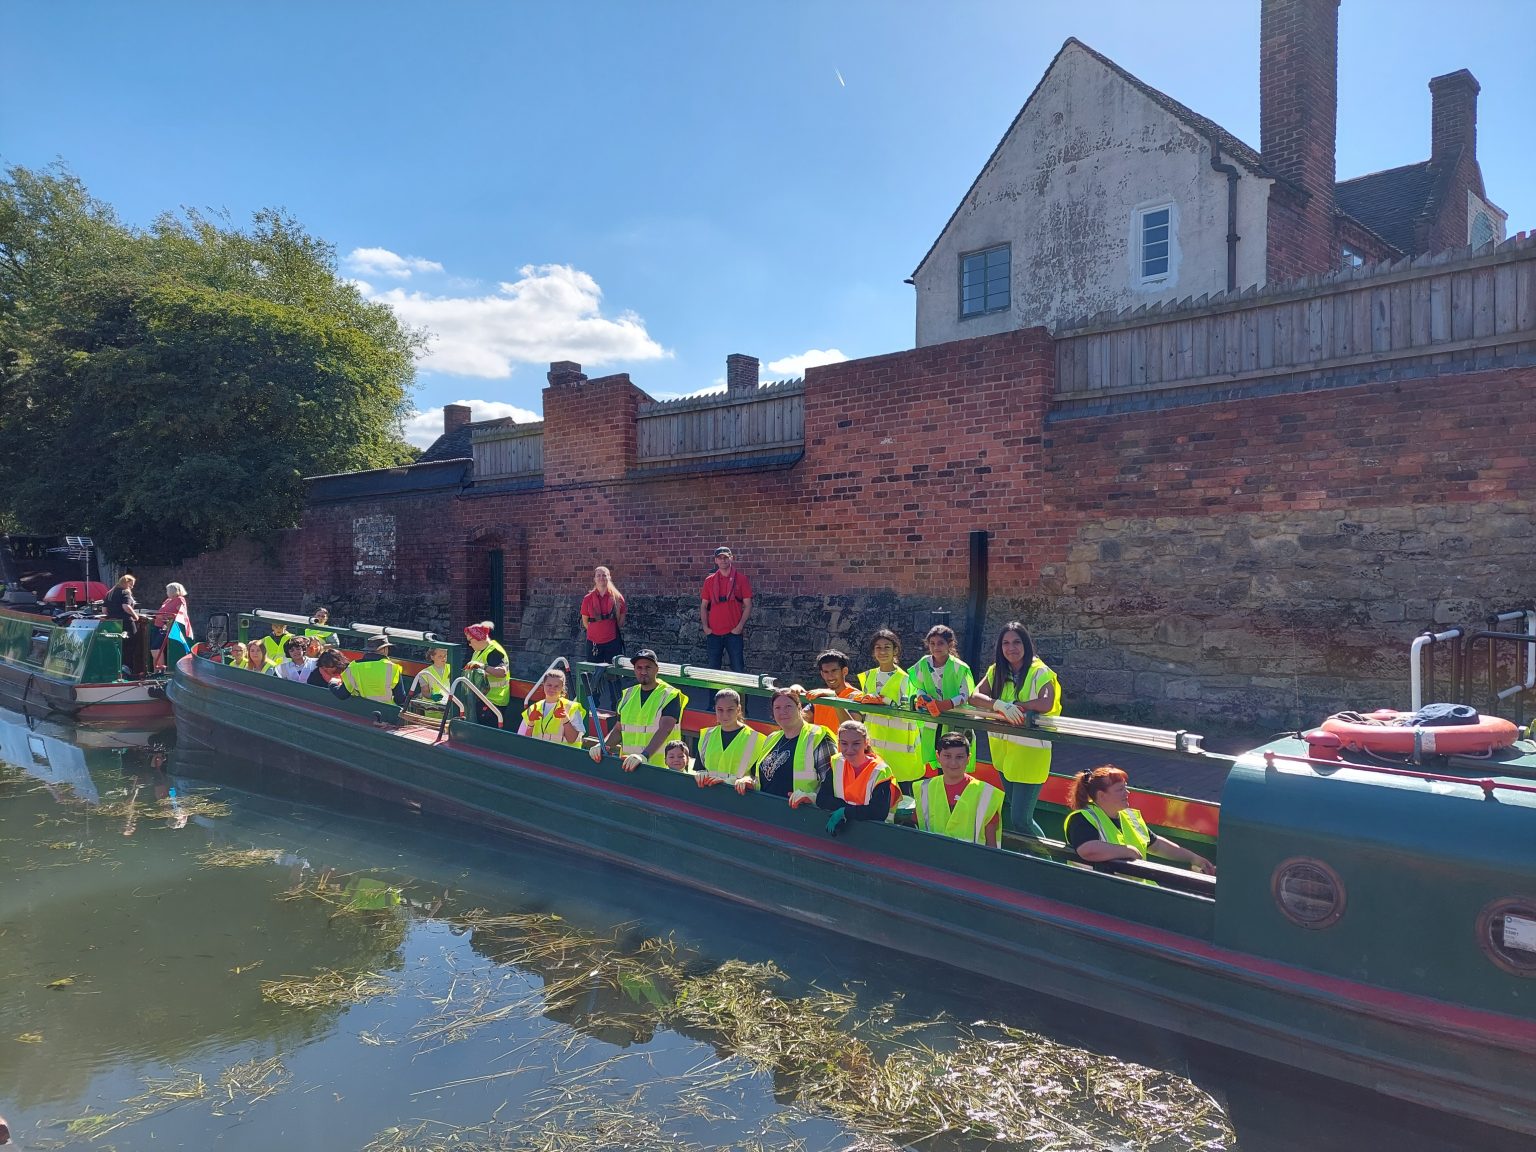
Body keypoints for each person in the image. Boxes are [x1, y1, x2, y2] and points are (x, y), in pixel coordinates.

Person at [969, 622, 1061, 838]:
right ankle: (1034, 860)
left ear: (1026, 644)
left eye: (1017, 642)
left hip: (1030, 756)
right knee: (1017, 816)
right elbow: (975, 696)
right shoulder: (997, 670)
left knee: (1021, 819)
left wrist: (1018, 706)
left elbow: (1046, 703)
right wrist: (998, 704)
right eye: (1006, 643)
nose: (1011, 648)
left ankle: (1048, 863)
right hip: (1004, 755)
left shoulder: (1040, 671)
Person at [1064, 765, 1215, 880]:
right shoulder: (1083, 818)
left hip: (1136, 890)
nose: (1127, 793)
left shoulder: (1130, 817)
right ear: (1101, 796)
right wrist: (1127, 850)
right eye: (1120, 790)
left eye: (1126, 788)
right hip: (1098, 895)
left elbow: (1157, 846)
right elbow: (1087, 850)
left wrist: (1194, 858)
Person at [735, 687, 834, 808]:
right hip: (765, 810)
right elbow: (766, 777)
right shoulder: (772, 738)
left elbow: (831, 787)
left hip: (801, 815)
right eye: (777, 708)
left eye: (788, 706)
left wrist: (812, 798)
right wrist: (749, 781)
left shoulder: (817, 736)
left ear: (799, 708)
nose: (783, 711)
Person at [591, 648, 687, 770]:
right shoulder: (627, 695)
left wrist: (643, 756)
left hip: (661, 769)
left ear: (657, 669)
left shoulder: (670, 695)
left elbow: (665, 729)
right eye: (639, 668)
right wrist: (602, 745)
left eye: (648, 667)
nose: (643, 671)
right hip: (629, 765)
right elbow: (619, 729)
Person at [857, 629, 924, 790]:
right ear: (873, 652)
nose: (882, 651)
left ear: (895, 650)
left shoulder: (906, 679)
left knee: (903, 799)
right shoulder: (867, 677)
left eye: (887, 647)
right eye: (878, 648)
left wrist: (884, 701)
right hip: (874, 747)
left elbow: (910, 711)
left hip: (901, 753)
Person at [913, 732, 1003, 847]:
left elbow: (991, 846)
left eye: (959, 757)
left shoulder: (986, 794)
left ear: (968, 758)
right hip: (932, 860)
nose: (953, 763)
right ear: (937, 757)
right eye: (947, 756)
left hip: (970, 862)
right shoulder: (923, 789)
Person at [908, 624, 976, 772]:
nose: (935, 647)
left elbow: (965, 695)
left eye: (940, 643)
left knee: (954, 758)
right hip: (932, 720)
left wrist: (946, 704)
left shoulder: (959, 667)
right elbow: (917, 686)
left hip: (954, 719)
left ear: (950, 644)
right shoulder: (923, 664)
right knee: (937, 755)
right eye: (932, 643)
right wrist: (923, 697)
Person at [817, 720, 898, 827]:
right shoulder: (836, 763)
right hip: (844, 828)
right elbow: (822, 799)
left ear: (866, 743)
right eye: (844, 743)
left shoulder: (880, 771)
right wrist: (846, 809)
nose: (849, 749)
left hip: (876, 832)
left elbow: (878, 813)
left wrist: (845, 811)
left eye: (856, 744)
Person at [693, 688, 762, 786]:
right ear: (715, 709)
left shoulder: (754, 739)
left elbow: (757, 779)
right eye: (720, 710)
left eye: (730, 710)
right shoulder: (706, 736)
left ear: (738, 709)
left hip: (738, 797)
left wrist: (747, 780)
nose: (725, 715)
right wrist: (700, 774)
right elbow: (700, 769)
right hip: (708, 795)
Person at [700, 546, 752, 673]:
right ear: (715, 561)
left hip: (733, 632)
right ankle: (714, 694)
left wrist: (740, 626)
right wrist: (706, 627)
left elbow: (748, 605)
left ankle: (739, 694)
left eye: (726, 557)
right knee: (713, 672)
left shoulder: (741, 579)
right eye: (720, 558)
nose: (723, 560)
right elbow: (704, 606)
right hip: (714, 633)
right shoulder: (709, 581)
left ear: (731, 558)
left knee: (738, 669)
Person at [518, 668, 587, 746]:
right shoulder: (533, 708)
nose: (552, 689)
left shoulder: (571, 708)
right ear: (543, 685)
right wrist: (531, 724)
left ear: (562, 687)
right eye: (549, 685)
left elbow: (572, 740)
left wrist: (566, 720)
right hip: (538, 754)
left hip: (564, 755)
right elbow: (524, 740)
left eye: (556, 686)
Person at [463, 621, 511, 724]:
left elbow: (502, 672)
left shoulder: (494, 651)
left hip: (494, 701)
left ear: (478, 638)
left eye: (469, 641)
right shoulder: (478, 651)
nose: (469, 645)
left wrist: (482, 666)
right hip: (482, 698)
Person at [805, 649, 865, 730]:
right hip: (822, 743)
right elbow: (799, 720)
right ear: (822, 674)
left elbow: (852, 729)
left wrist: (834, 698)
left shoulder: (857, 696)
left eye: (834, 671)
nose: (830, 676)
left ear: (844, 671)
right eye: (826, 672)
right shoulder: (819, 695)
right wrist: (794, 692)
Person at [340, 635, 407, 705]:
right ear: (384, 649)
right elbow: (400, 699)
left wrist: (332, 683)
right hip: (387, 711)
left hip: (362, 708)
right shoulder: (393, 667)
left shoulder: (353, 666)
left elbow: (342, 694)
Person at [580, 566, 627, 663]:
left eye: (604, 575)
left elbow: (621, 620)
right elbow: (585, 622)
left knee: (613, 674)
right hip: (593, 643)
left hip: (613, 642)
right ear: (595, 579)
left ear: (609, 578)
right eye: (598, 575)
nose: (601, 578)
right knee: (594, 674)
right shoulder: (587, 599)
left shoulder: (617, 598)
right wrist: (597, 632)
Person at [104, 574, 145, 676]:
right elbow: (126, 606)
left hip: (113, 623)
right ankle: (127, 669)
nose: (132, 587)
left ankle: (115, 668)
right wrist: (136, 616)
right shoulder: (125, 592)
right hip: (126, 622)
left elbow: (104, 610)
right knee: (131, 645)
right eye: (131, 585)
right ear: (126, 583)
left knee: (117, 646)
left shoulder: (110, 593)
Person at [151, 582, 195, 671]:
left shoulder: (180, 600)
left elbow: (181, 614)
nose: (166, 592)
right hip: (158, 625)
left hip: (167, 626)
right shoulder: (167, 600)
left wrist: (166, 617)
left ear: (173, 591)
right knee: (154, 648)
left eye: (168, 590)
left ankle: (160, 669)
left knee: (156, 648)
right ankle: (156, 669)